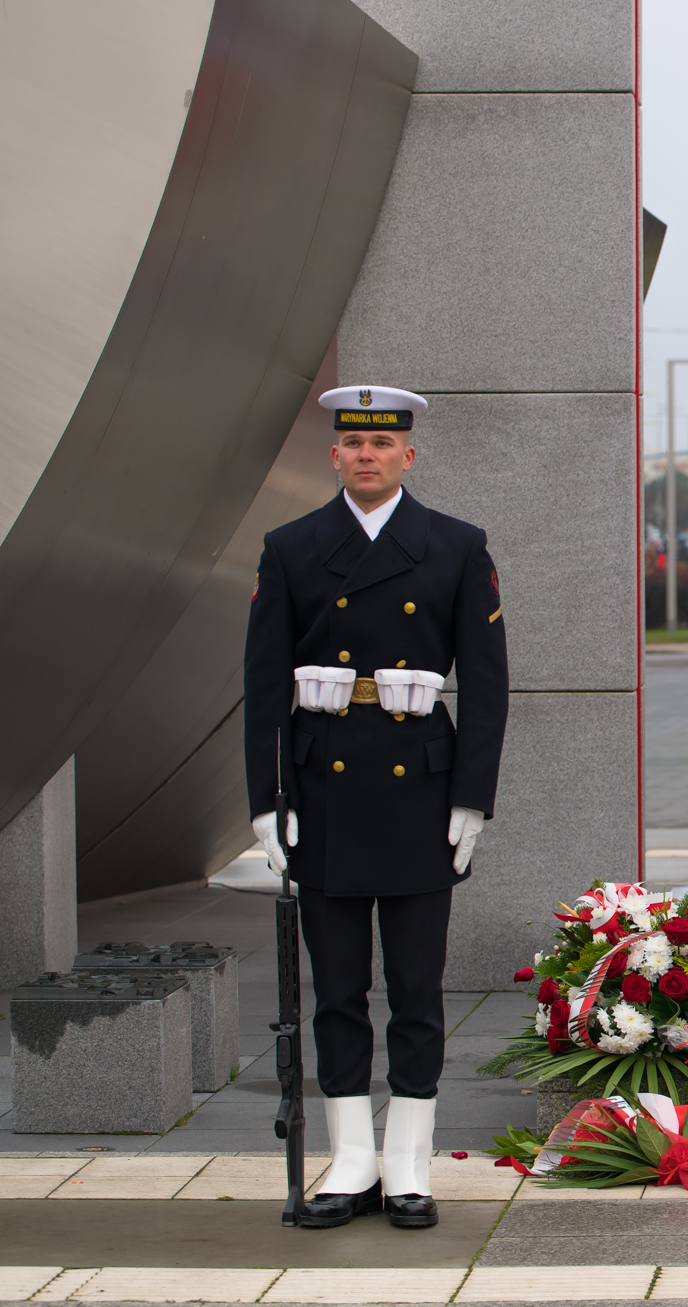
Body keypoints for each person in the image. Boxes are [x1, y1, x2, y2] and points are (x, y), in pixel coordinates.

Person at [244, 385, 510, 1230]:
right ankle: (352, 1158)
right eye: (352, 441)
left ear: (409, 455)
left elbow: (489, 685)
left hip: (419, 793)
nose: (367, 453)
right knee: (337, 992)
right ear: (333, 455)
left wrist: (473, 797)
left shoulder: (456, 547)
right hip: (323, 791)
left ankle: (408, 1163)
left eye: (381, 443)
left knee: (417, 988)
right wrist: (265, 801)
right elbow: (260, 690)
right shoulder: (291, 548)